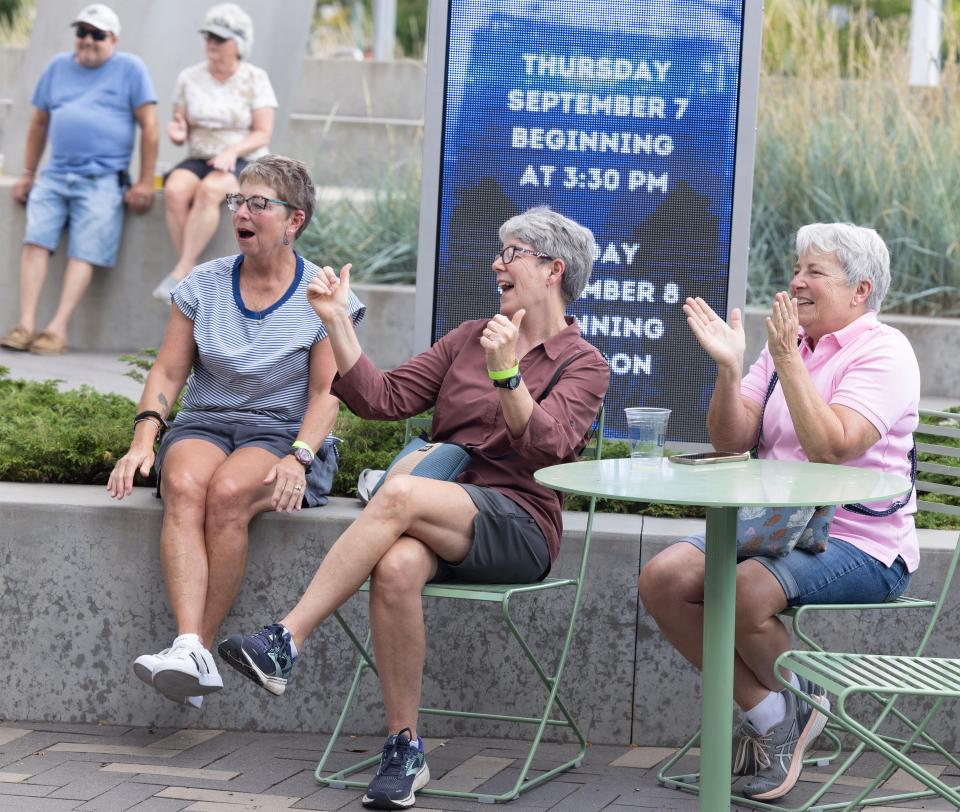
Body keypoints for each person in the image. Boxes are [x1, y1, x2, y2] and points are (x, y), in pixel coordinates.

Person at [218, 206, 610, 810]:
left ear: (553, 269)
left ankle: (285, 639)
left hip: (519, 523)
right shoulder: (468, 336)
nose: (497, 264)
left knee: (398, 494)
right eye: (499, 252)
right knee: (397, 566)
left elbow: (551, 447)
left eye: (512, 254)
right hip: (442, 514)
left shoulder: (582, 362)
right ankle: (405, 748)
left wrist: (508, 374)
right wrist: (335, 323)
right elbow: (385, 397)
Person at [638, 223, 920, 801]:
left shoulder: (885, 352)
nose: (796, 282)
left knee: (739, 589)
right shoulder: (785, 346)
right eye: (797, 269)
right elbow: (731, 439)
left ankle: (798, 700)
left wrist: (789, 359)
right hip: (776, 529)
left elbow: (832, 446)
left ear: (860, 290)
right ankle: (777, 713)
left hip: (863, 542)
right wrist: (728, 368)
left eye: (814, 272)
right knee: (662, 579)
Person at [106, 155, 365, 710]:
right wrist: (143, 440)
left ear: (294, 220)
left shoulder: (321, 294)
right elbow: (170, 370)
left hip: (282, 433)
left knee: (226, 494)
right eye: (237, 201)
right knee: (184, 487)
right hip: (206, 420)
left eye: (257, 203)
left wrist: (299, 457)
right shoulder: (202, 282)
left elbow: (329, 393)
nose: (241, 213)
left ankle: (191, 648)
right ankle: (191, 650)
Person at [0, 3, 158, 356]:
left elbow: (150, 127)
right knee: (35, 239)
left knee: (86, 248)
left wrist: (145, 181)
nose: (87, 40)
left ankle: (57, 329)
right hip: (55, 173)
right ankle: (25, 324)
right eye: (82, 33)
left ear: (113, 39)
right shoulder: (57, 66)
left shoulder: (131, 69)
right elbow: (38, 123)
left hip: (103, 177)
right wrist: (27, 173)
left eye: (97, 34)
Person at [152, 4, 277, 302]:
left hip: (244, 158)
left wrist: (232, 152)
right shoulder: (189, 77)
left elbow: (263, 132)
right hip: (200, 155)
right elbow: (180, 122)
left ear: (238, 44)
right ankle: (192, 270)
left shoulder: (255, 78)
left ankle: (183, 270)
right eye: (208, 37)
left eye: (219, 39)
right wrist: (178, 131)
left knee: (210, 191)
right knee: (175, 189)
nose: (211, 44)